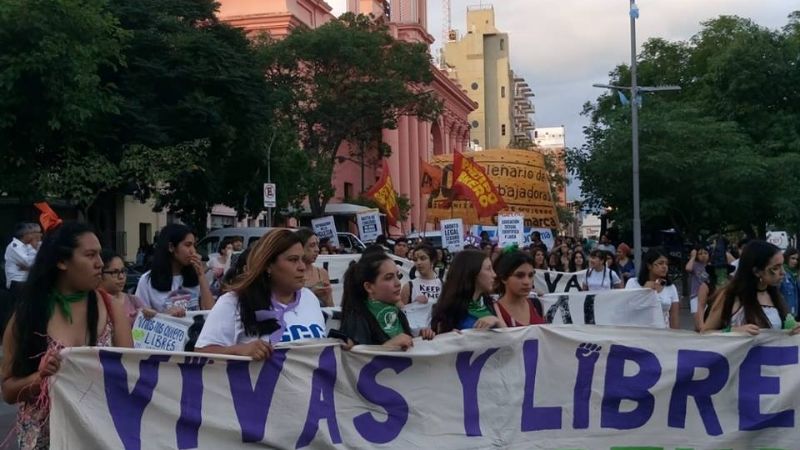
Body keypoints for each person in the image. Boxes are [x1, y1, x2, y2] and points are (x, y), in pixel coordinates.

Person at [2, 222, 133, 450]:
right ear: (61, 262)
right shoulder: (28, 315)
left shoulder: (111, 309)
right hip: (45, 440)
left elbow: (129, 375)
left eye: (100, 255)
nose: (100, 264)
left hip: (97, 436)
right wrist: (40, 378)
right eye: (90, 255)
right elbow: (9, 392)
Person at [195, 230, 327, 358]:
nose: (302, 267)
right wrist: (238, 350)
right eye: (293, 260)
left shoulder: (309, 298)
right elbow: (201, 353)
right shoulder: (233, 302)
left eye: (302, 259)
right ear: (268, 265)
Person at [703, 240, 800, 335]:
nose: (783, 272)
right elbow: (705, 333)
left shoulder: (776, 295)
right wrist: (732, 332)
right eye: (775, 268)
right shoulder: (730, 295)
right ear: (757, 271)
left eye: (782, 266)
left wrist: (793, 330)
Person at [339, 252, 433, 349]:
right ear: (369, 287)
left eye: (398, 276)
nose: (398, 283)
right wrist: (389, 346)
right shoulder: (356, 318)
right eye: (389, 278)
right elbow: (357, 361)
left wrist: (419, 339)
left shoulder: (398, 314)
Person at [135, 224, 214, 317]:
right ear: (171, 247)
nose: (193, 251)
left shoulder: (196, 276)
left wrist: (201, 276)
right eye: (188, 245)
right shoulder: (147, 281)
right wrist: (164, 315)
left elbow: (210, 312)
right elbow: (140, 317)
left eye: (194, 246)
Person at [431, 250, 505, 333]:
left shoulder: (491, 303)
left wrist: (497, 321)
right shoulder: (448, 311)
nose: (494, 274)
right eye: (488, 269)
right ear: (473, 272)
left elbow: (510, 338)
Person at [626, 248, 679, 329]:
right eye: (660, 263)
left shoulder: (670, 287)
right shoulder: (633, 283)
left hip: (663, 333)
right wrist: (645, 291)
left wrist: (675, 337)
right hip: (639, 332)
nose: (664, 267)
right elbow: (628, 307)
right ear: (649, 265)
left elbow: (674, 316)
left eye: (666, 264)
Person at [100, 251, 156, 327]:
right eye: (115, 272)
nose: (121, 277)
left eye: (123, 271)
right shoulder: (94, 303)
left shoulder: (134, 301)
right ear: (100, 274)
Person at [493, 251, 544, 327]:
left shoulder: (536, 304)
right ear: (504, 278)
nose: (527, 282)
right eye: (519, 276)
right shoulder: (494, 311)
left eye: (530, 275)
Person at [295, 228, 333, 307]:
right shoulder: (292, 272)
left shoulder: (322, 273)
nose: (317, 249)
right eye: (312, 245)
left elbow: (330, 307)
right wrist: (312, 292)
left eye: (317, 245)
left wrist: (327, 297)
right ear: (300, 247)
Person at [4, 223, 42, 294]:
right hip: (17, 282)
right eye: (31, 233)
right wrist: (34, 249)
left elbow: (45, 254)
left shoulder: (27, 245)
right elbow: (29, 263)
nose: (34, 236)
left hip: (27, 281)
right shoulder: (14, 246)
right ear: (25, 235)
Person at [685, 245, 710, 315]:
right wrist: (692, 256)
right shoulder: (695, 265)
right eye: (700, 254)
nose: (703, 255)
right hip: (696, 295)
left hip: (709, 296)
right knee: (697, 317)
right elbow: (688, 268)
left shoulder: (711, 265)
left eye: (705, 253)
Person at [780, 248, 800, 318]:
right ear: (786, 258)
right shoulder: (781, 274)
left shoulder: (796, 274)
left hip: (796, 314)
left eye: (797, 259)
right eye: (792, 258)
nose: (795, 261)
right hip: (785, 314)